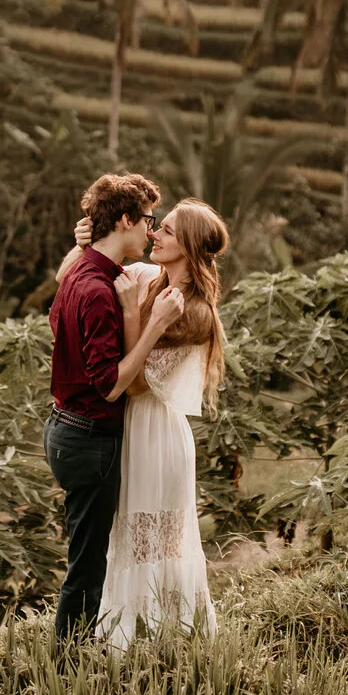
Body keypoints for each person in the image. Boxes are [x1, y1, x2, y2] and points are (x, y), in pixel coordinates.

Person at [95, 198, 227, 648]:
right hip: (137, 429)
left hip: (156, 433)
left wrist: (134, 315)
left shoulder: (191, 312)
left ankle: (155, 642)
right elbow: (85, 272)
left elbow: (134, 387)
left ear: (187, 246)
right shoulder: (154, 280)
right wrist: (84, 245)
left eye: (167, 231)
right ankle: (142, 638)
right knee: (137, 539)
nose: (155, 235)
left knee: (153, 541)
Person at [45, 172, 171, 640]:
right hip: (88, 437)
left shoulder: (84, 270)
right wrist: (152, 324)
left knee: (89, 556)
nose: (152, 231)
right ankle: (68, 664)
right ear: (124, 220)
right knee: (87, 566)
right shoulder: (99, 291)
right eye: (147, 220)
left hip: (66, 427)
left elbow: (55, 315)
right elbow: (111, 386)